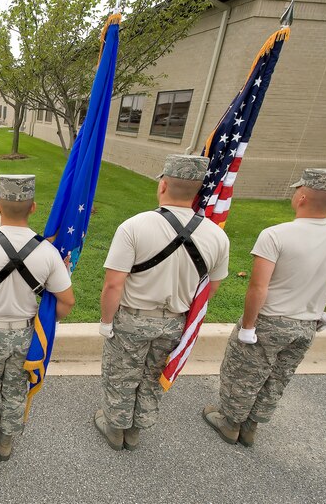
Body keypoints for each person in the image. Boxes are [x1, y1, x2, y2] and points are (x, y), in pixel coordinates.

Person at [203, 168, 326, 447]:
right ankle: (251, 427)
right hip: (306, 325)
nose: (295, 193)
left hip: (270, 321)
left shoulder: (276, 235)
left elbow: (258, 287)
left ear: (303, 196)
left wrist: (248, 326)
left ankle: (230, 423)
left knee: (244, 373)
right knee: (278, 377)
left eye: (297, 189)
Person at [96, 154, 230, 451]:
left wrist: (106, 322)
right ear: (197, 190)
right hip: (175, 321)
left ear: (163, 184)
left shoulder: (134, 226)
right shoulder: (217, 236)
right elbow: (211, 288)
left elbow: (114, 283)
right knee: (153, 376)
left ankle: (115, 429)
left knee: (121, 374)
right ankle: (136, 431)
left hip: (133, 317)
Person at [0, 174, 74, 462]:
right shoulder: (47, 253)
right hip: (26, 336)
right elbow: (67, 302)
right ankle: (6, 443)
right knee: (15, 390)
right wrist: (48, 321)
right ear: (33, 208)